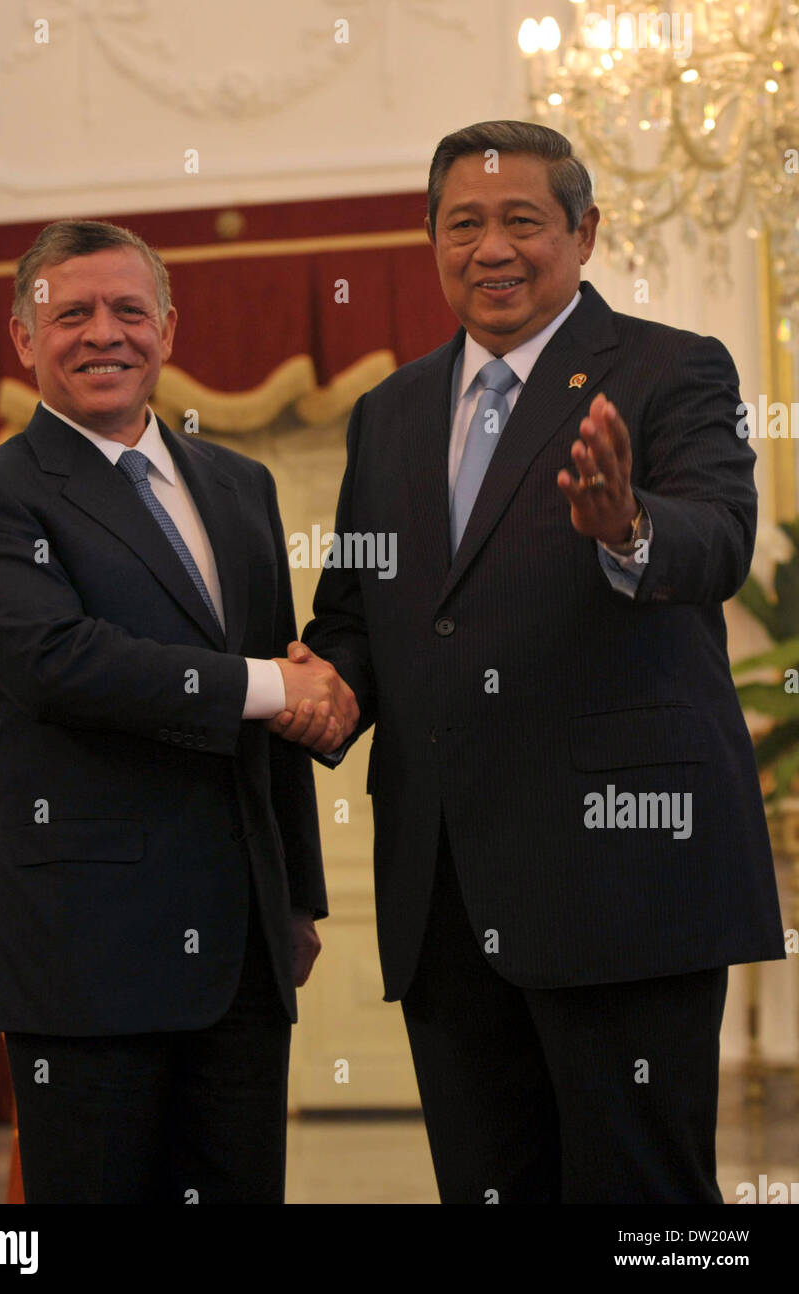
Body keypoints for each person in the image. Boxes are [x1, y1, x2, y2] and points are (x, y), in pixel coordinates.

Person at [270, 120, 785, 1204]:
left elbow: (719, 541)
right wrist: (321, 684)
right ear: (431, 240)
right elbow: (362, 607)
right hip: (445, 887)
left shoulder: (672, 370)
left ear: (584, 231)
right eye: (464, 224)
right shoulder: (390, 412)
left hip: (625, 875)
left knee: (647, 1200)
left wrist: (626, 524)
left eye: (521, 221)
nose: (491, 248)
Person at [0, 219, 358, 1204]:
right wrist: (266, 684)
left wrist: (293, 891)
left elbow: (280, 712)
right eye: (69, 312)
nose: (102, 332)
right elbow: (58, 664)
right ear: (23, 339)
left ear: (167, 326)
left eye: (128, 309)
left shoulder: (238, 488)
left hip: (243, 946)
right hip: (88, 948)